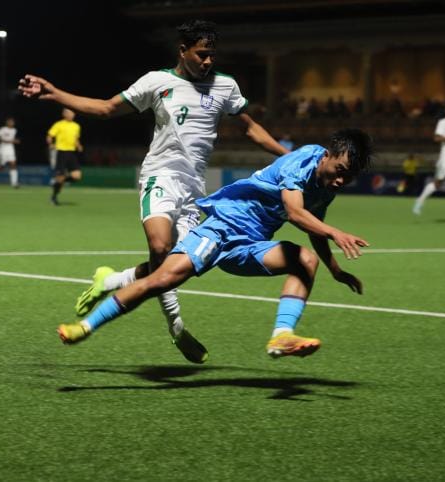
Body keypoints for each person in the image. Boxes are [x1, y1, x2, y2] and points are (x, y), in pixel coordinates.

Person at [19, 20, 288, 364]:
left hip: (194, 190)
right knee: (161, 247)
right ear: (183, 51)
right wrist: (54, 93)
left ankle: (113, 279)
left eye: (212, 56)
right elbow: (105, 108)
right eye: (202, 54)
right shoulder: (157, 81)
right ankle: (177, 327)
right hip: (160, 177)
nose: (208, 62)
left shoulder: (225, 86)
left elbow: (252, 130)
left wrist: (289, 156)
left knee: (179, 266)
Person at [56, 129, 373, 359]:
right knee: (162, 279)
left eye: (350, 176)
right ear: (328, 154)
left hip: (250, 245)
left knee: (305, 260)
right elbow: (295, 213)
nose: (342, 180)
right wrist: (337, 232)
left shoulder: (326, 186)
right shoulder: (303, 161)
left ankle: (281, 336)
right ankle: (85, 325)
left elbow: (313, 228)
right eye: (340, 170)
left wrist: (335, 270)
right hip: (221, 230)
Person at [46, 108, 83, 205]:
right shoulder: (59, 124)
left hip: (71, 153)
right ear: (64, 114)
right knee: (60, 178)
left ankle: (59, 180)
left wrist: (78, 145)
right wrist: (50, 144)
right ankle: (54, 196)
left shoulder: (76, 126)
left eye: (73, 113)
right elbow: (49, 136)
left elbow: (76, 138)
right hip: (61, 152)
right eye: (70, 113)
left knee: (77, 176)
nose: (72, 115)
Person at [0, 117, 20, 188]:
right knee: (1, 167)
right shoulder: (2, 129)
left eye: (12, 122)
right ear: (7, 123)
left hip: (10, 149)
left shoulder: (14, 130)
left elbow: (13, 139)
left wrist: (15, 141)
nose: (11, 123)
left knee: (13, 164)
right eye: (10, 122)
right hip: (3, 149)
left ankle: (14, 183)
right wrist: (7, 141)